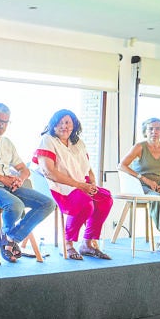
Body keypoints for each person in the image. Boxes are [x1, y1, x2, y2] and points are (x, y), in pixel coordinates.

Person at [0, 103, 55, 263]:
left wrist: (20, 179)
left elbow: (23, 168)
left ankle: (9, 236)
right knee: (15, 205)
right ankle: (9, 239)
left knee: (48, 203)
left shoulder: (7, 143)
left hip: (9, 185)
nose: (1, 125)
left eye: (5, 122)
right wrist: (2, 178)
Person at [34, 109, 113, 260]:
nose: (64, 126)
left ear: (74, 125)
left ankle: (87, 243)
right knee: (85, 202)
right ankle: (68, 244)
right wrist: (80, 186)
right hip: (59, 187)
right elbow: (49, 172)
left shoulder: (78, 143)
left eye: (68, 122)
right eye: (60, 123)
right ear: (53, 125)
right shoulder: (48, 140)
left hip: (80, 185)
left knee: (105, 198)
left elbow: (88, 168)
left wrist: (93, 184)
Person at [118, 117, 160, 251]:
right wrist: (144, 179)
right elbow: (122, 165)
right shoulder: (139, 147)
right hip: (140, 186)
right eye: (151, 129)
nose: (154, 131)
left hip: (159, 185)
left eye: (157, 128)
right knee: (158, 198)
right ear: (145, 131)